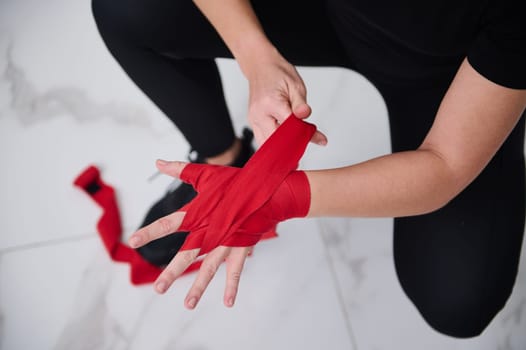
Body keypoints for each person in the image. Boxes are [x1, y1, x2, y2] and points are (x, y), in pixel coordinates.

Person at [91, 0, 526, 338]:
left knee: (456, 298)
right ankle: (224, 158)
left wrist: (277, 196)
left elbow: (447, 164)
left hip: (451, 72)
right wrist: (255, 54)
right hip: (328, 12)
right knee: (128, 9)